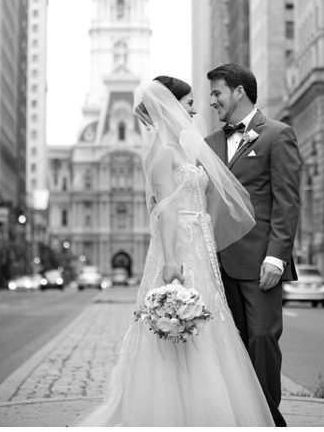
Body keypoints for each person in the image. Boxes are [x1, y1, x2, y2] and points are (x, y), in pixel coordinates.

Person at [78, 76, 274, 426]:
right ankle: (175, 413)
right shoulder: (163, 152)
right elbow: (166, 210)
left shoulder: (187, 147)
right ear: (170, 106)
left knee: (209, 321)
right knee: (180, 321)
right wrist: (170, 260)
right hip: (179, 247)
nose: (196, 108)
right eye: (188, 102)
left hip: (200, 243)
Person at [205, 64, 301, 427]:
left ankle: (267, 420)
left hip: (261, 262)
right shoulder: (210, 143)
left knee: (262, 338)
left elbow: (287, 201)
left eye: (217, 93)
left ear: (239, 92)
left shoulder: (278, 135)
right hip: (217, 264)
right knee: (230, 346)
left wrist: (277, 256)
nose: (212, 101)